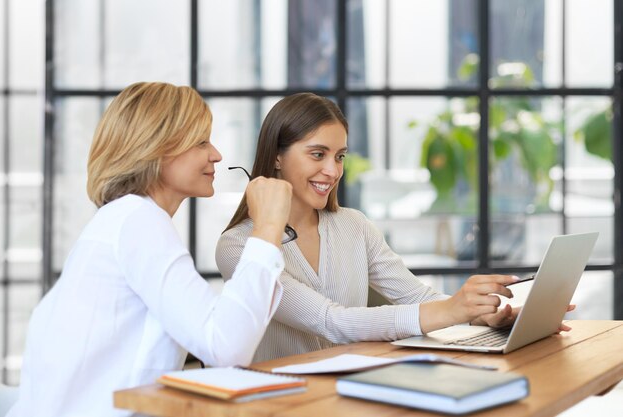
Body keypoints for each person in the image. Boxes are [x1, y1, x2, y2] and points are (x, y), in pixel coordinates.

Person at [216, 92, 572, 363]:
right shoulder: (240, 246)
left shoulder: (353, 226)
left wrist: (483, 314)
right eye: (317, 154)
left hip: (348, 392)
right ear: (277, 156)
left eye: (340, 156)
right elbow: (332, 322)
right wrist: (453, 310)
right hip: (280, 404)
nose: (333, 170)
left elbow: (416, 297)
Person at [7, 82, 292, 417]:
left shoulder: (124, 219)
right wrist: (268, 227)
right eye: (201, 141)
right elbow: (225, 346)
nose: (216, 154)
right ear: (157, 148)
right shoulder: (138, 221)